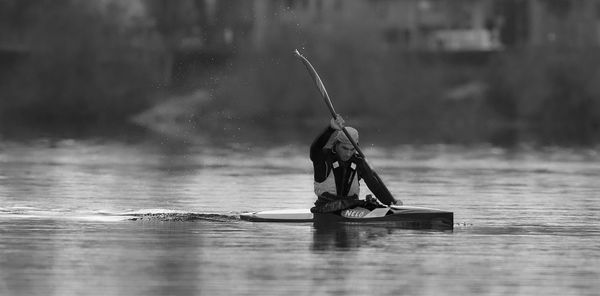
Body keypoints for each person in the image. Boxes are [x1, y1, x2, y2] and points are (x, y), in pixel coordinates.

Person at [310, 115, 400, 215]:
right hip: (326, 207)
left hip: (351, 206)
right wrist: (330, 129)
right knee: (354, 204)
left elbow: (375, 185)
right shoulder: (324, 158)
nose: (348, 153)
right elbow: (315, 148)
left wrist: (392, 203)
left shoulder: (358, 161)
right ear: (336, 144)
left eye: (352, 149)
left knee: (371, 204)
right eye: (345, 148)